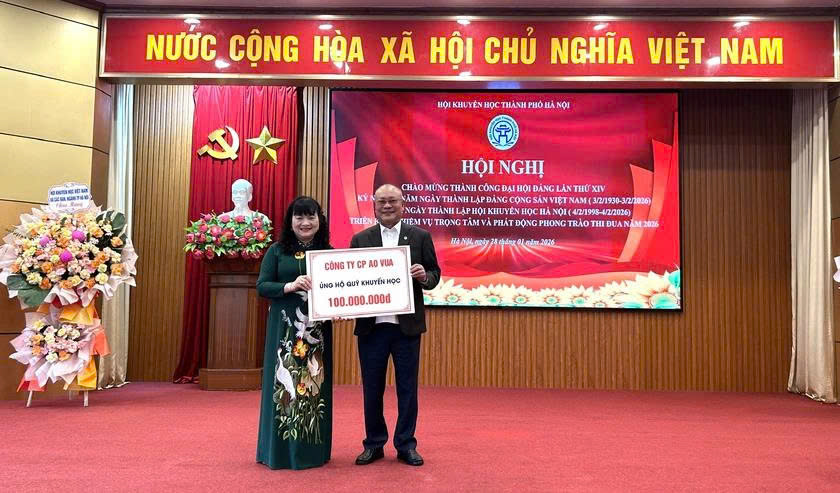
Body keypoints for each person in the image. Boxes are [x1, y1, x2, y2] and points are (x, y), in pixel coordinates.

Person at [350, 184, 441, 467]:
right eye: (382, 202)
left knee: (407, 389)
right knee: (372, 389)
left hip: (406, 329)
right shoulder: (360, 239)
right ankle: (374, 443)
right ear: (374, 206)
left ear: (403, 205)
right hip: (371, 328)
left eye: (392, 201)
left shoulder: (420, 236)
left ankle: (405, 444)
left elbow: (435, 275)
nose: (387, 206)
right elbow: (349, 281)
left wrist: (424, 276)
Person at [256, 196, 332, 470]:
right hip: (284, 331)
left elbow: (340, 290)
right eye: (299, 217)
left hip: (317, 334)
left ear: (320, 221)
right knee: (284, 387)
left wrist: (341, 307)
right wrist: (289, 286)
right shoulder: (277, 251)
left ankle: (313, 452)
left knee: (314, 385)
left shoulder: (329, 252)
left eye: (311, 216)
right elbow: (262, 286)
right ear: (290, 221)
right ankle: (278, 452)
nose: (305, 222)